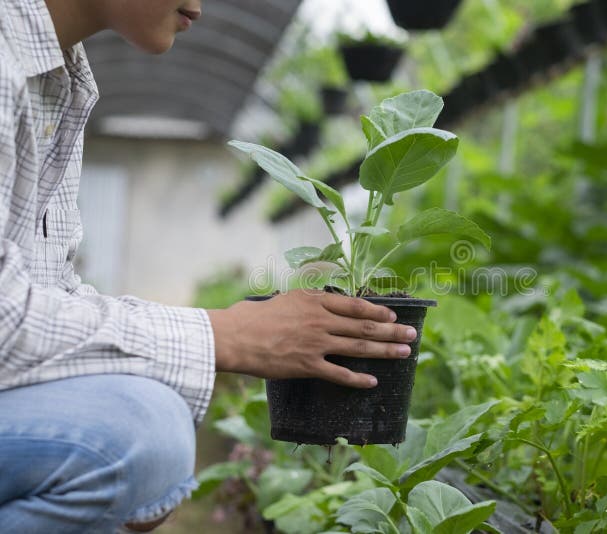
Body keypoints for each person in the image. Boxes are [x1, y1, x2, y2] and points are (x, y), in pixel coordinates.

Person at [0, 0, 417, 531]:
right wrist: (221, 334)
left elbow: (48, 290)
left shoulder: (61, 75)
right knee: (138, 440)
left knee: (152, 425)